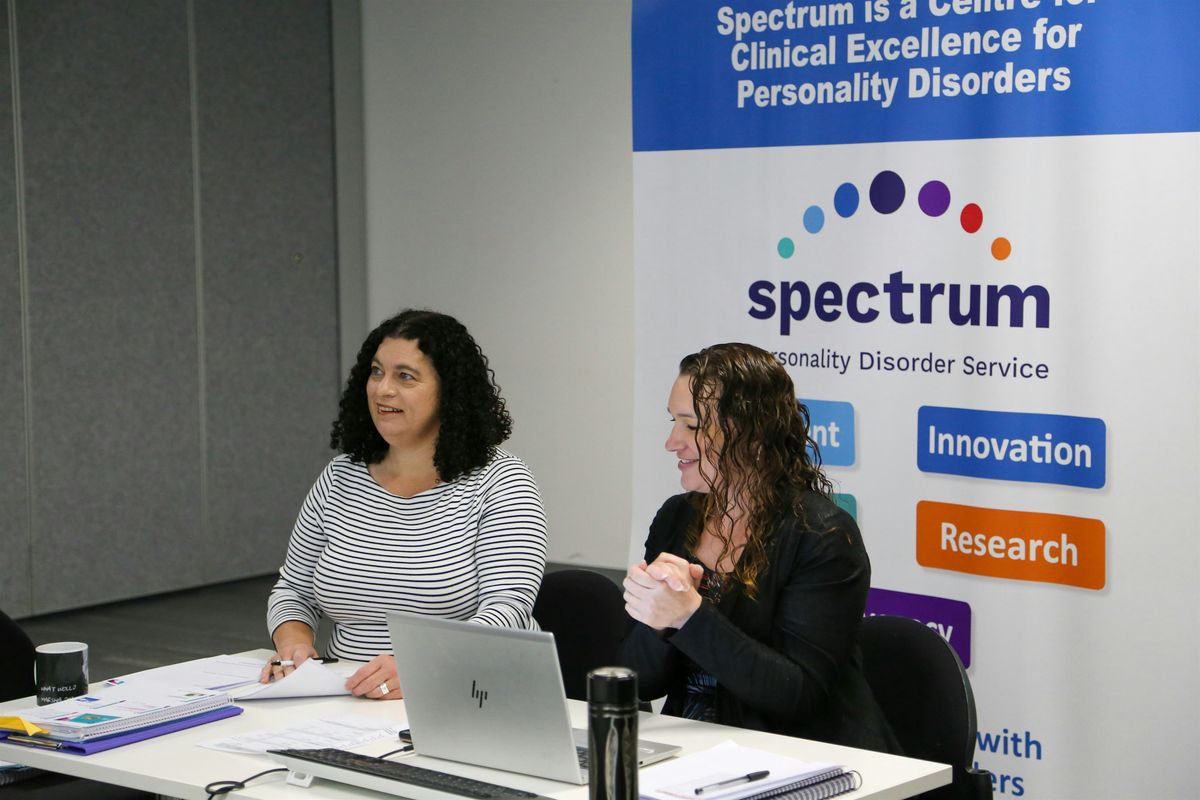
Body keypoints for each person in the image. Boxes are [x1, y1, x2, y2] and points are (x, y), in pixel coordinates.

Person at [620, 343, 899, 752]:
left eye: (692, 426)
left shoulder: (821, 535)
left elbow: (798, 695)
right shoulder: (676, 518)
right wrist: (656, 621)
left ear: (751, 435)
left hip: (806, 759)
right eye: (673, 422)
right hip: (695, 755)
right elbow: (638, 682)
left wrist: (689, 616)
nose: (672, 442)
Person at [263, 309, 548, 700]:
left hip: (472, 695)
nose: (383, 389)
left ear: (449, 391)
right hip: (348, 697)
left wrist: (420, 664)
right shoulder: (340, 476)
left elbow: (507, 610)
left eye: (405, 377)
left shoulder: (501, 481)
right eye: (377, 372)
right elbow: (294, 590)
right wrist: (293, 645)